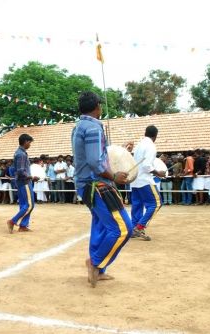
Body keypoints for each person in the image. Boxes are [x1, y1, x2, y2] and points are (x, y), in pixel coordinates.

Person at [72, 91, 132, 288]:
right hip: (97, 185)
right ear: (98, 106)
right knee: (122, 229)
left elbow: (94, 155)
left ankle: (100, 269)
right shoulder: (93, 128)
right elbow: (95, 162)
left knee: (100, 225)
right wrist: (114, 176)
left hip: (86, 184)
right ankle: (95, 263)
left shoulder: (79, 126)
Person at [130, 125, 165, 241]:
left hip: (134, 180)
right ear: (155, 136)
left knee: (137, 205)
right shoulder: (151, 146)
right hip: (144, 180)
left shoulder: (140, 145)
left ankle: (133, 228)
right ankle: (139, 227)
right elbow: (147, 166)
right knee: (156, 203)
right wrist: (158, 173)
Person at [6, 134, 39, 233]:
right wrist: (31, 177)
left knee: (24, 205)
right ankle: (12, 221)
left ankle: (23, 225)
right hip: (25, 182)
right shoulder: (21, 154)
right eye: (29, 142)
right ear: (26, 142)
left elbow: (14, 169)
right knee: (29, 205)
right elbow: (20, 171)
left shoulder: (18, 153)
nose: (30, 145)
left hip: (21, 182)